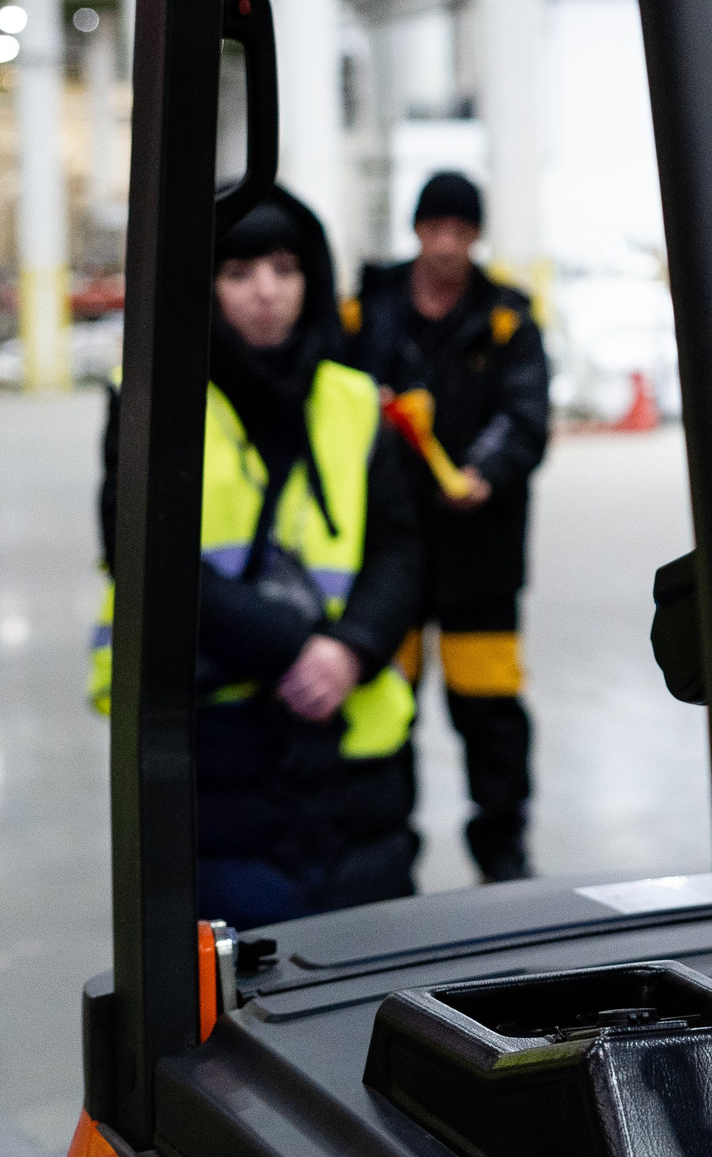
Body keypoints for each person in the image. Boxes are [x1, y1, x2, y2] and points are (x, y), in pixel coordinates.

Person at [92, 186, 424, 927]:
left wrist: (351, 648)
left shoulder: (354, 399)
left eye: (284, 268)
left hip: (353, 750)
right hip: (218, 747)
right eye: (238, 272)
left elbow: (400, 545)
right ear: (202, 285)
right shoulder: (149, 401)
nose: (266, 292)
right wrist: (292, 651)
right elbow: (142, 551)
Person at [346, 173, 551, 882]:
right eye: (435, 227)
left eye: (460, 230)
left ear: (474, 235)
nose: (446, 243)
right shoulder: (365, 311)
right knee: (383, 706)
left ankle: (503, 856)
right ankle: (380, 854)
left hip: (479, 554)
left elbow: (526, 419)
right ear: (417, 230)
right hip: (387, 549)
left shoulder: (506, 320)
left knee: (491, 712)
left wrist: (484, 472)